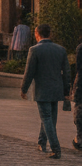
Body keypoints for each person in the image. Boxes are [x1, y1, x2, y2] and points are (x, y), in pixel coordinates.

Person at [20, 24, 71, 158]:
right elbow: (67, 72)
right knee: (50, 118)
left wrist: (24, 89)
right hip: (56, 89)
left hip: (43, 90)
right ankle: (42, 142)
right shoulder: (61, 50)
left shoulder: (34, 50)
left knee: (47, 118)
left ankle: (56, 148)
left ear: (37, 33)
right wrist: (67, 90)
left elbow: (29, 71)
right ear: (50, 33)